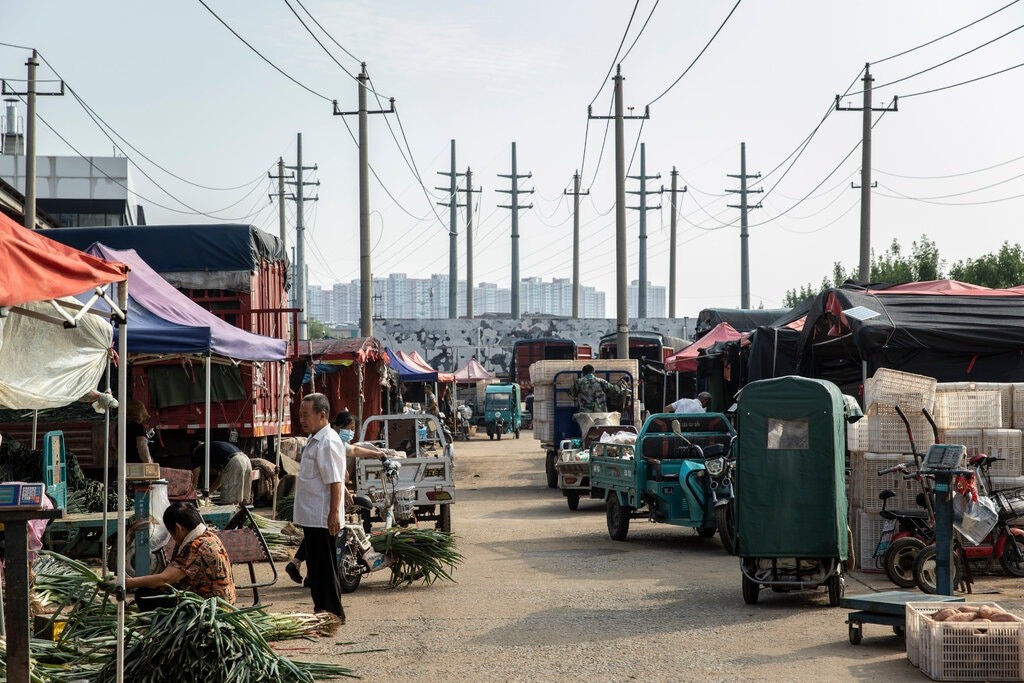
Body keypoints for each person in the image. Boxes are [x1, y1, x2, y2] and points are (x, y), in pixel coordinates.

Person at [102, 501, 236, 605]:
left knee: (145, 596)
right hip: (224, 600)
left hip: (209, 605)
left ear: (178, 528)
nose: (172, 537)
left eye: (171, 533)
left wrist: (124, 582)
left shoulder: (197, 546)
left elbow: (164, 579)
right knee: (148, 592)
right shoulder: (210, 537)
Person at [125, 399, 153, 464]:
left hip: (123, 463)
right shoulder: (138, 427)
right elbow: (142, 448)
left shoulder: (120, 426)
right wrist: (149, 463)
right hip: (136, 465)